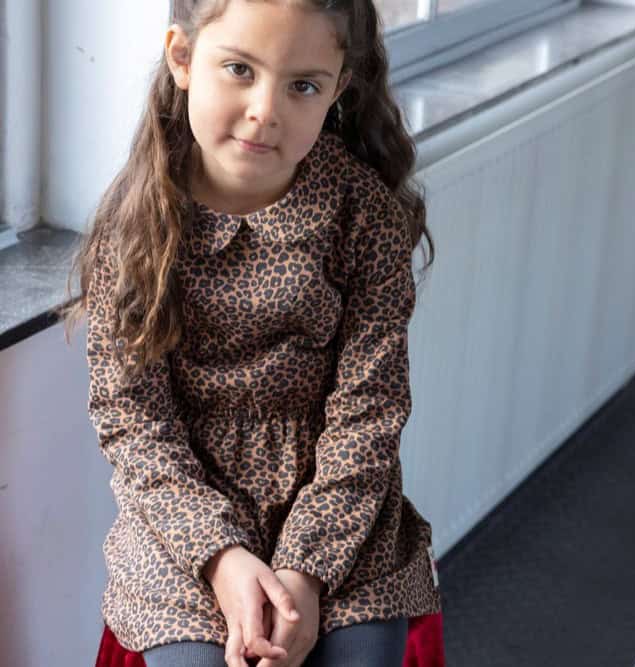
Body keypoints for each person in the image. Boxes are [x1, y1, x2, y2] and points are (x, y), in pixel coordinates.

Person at [58, 0, 440, 665]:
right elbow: (134, 423)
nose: (266, 110)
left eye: (303, 85)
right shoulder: (133, 225)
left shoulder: (364, 216)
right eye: (239, 69)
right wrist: (222, 557)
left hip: (338, 513)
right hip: (186, 522)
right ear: (183, 58)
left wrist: (306, 572)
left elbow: (370, 412)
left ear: (337, 89)